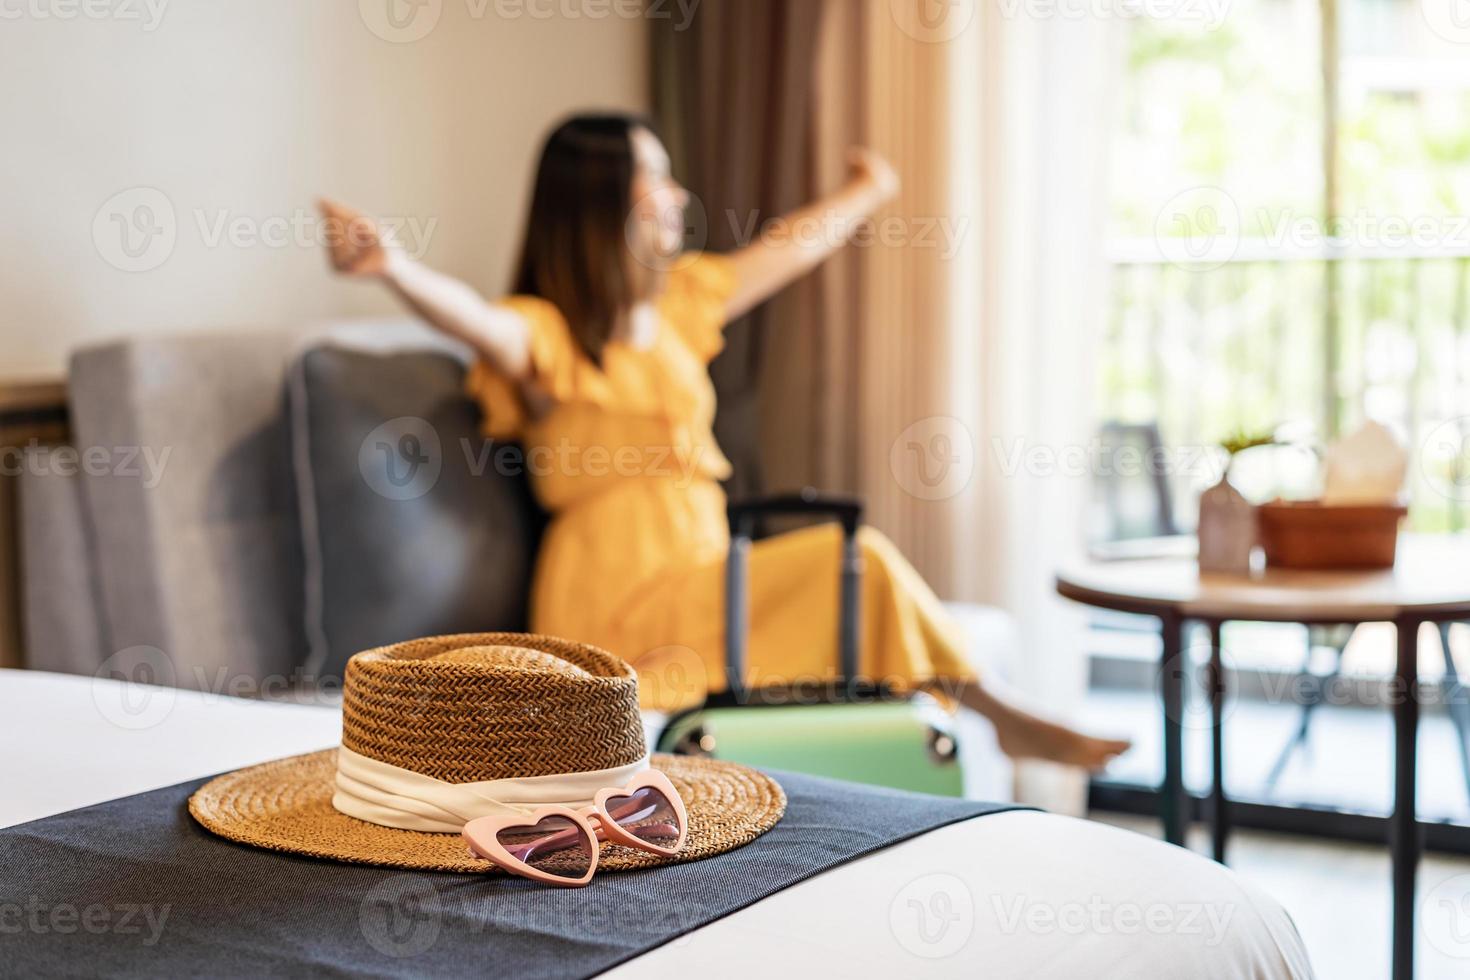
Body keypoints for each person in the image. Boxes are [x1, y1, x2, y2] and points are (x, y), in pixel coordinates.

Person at [320, 112, 1129, 769]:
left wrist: (866, 191)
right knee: (863, 562)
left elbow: (789, 250)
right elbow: (478, 321)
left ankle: (958, 726)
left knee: (849, 570)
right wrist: (396, 267)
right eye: (655, 175)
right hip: (619, 595)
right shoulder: (548, 331)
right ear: (603, 200)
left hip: (706, 570)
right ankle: (1000, 713)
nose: (676, 194)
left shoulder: (680, 308)